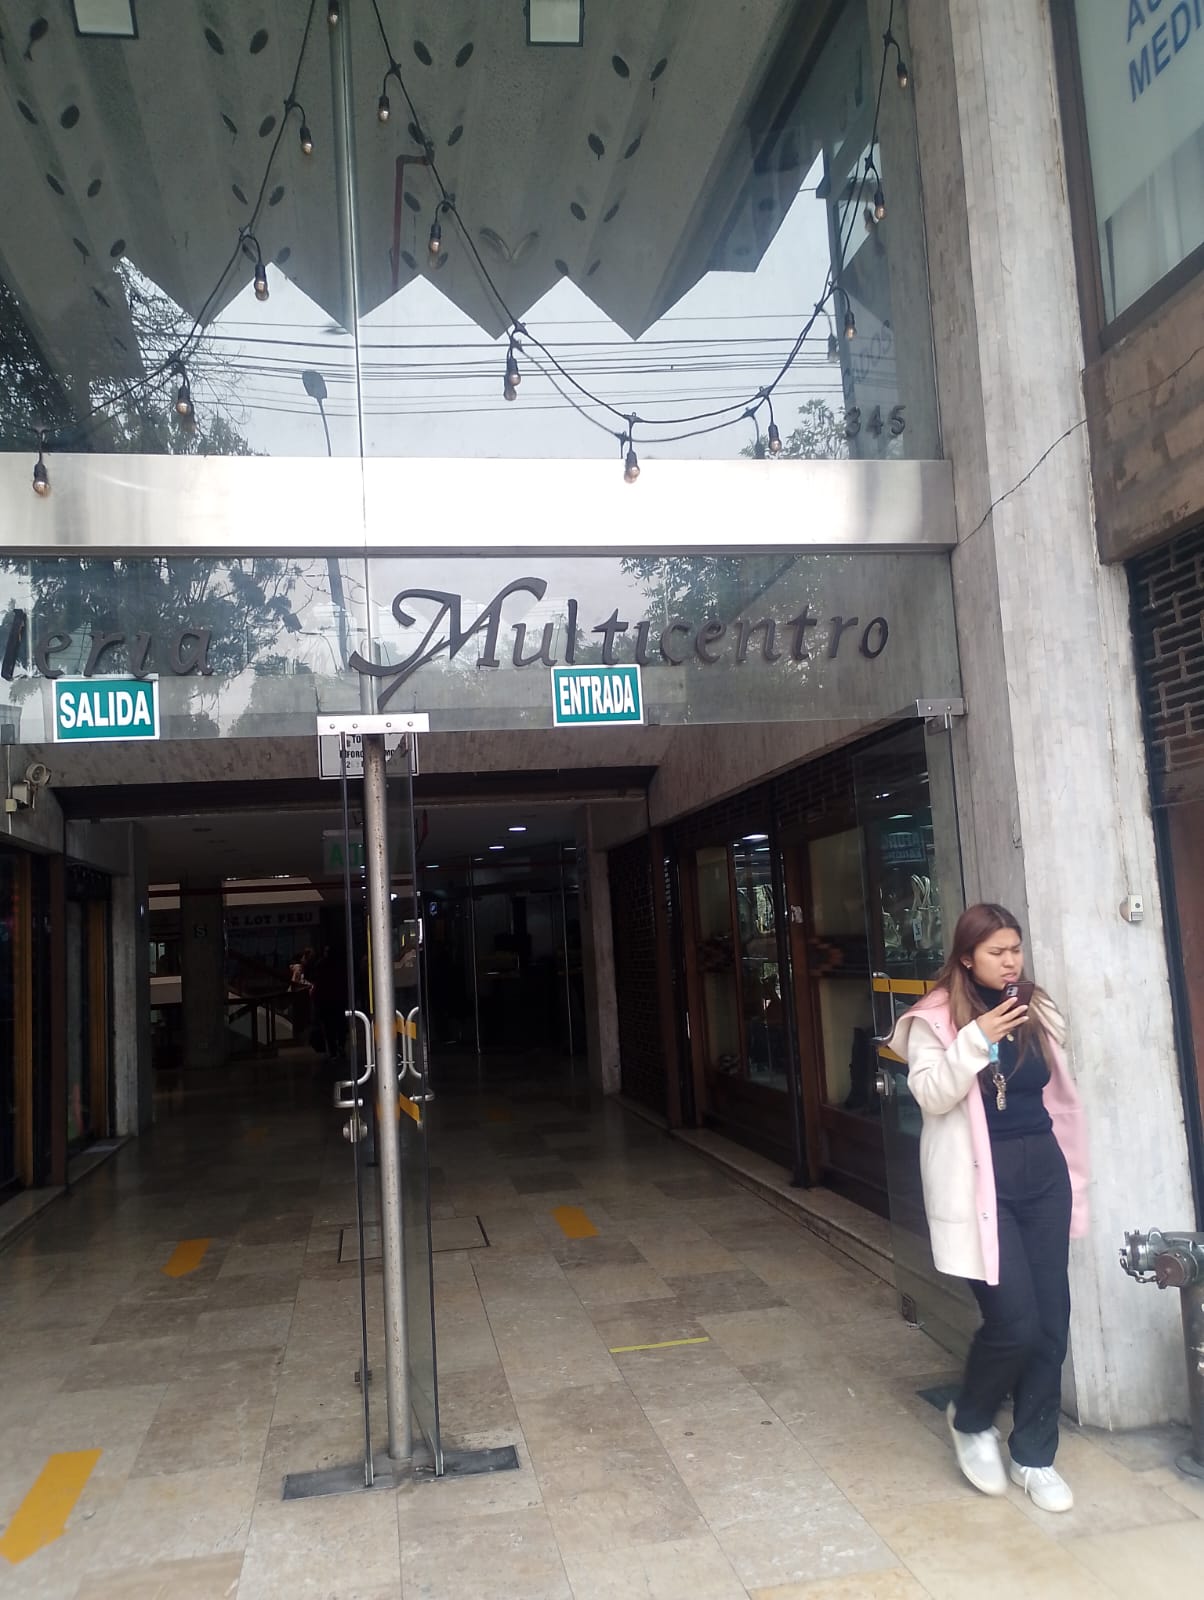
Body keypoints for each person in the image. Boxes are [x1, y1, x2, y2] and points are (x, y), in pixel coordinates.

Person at [886, 902, 1089, 1513]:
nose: (1010, 962)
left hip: (1044, 1177)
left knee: (1051, 1323)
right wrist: (977, 1038)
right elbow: (930, 1094)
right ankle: (971, 1419)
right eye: (997, 952)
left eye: (1016, 950)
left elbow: (1056, 1088)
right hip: (981, 1184)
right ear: (967, 957)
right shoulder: (936, 1018)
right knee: (1014, 1323)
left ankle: (1034, 1457)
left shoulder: (1034, 1008)